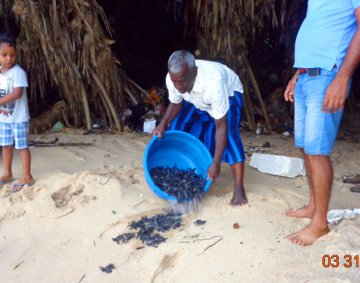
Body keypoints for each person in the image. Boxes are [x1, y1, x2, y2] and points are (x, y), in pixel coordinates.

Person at [284, 1, 360, 246]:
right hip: (307, 75)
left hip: (329, 75)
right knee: (306, 147)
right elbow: (318, 34)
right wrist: (297, 75)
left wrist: (343, 77)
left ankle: (320, 224)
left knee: (317, 151)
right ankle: (314, 205)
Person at [152, 50, 247, 206]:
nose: (178, 85)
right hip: (195, 95)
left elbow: (221, 126)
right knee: (176, 126)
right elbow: (176, 102)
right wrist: (162, 124)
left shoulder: (213, 84)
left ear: (194, 72)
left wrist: (216, 163)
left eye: (181, 81)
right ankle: (187, 169)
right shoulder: (174, 79)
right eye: (175, 81)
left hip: (229, 93)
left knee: (230, 135)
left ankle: (239, 188)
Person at [0, 33, 34, 192]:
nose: (9, 59)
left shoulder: (18, 72)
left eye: (12, 55)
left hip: (19, 118)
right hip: (4, 119)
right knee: (6, 146)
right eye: (4, 55)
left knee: (22, 146)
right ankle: (7, 173)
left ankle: (27, 175)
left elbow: (17, 93)